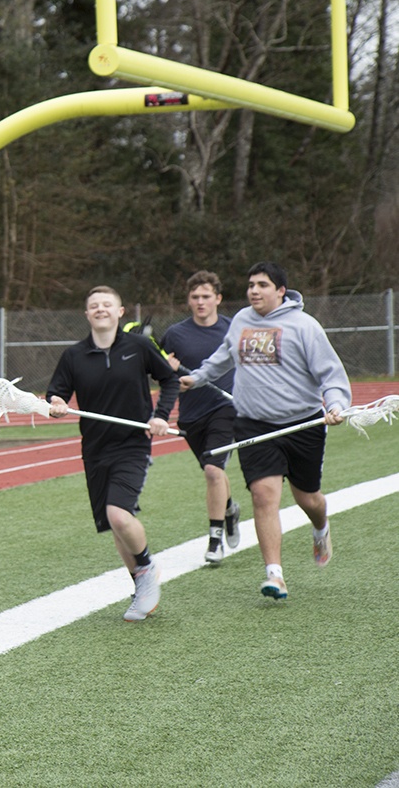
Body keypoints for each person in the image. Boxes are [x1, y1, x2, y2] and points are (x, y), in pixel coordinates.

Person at [181, 261, 350, 600]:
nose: (254, 291)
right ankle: (275, 574)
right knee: (263, 495)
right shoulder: (242, 320)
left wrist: (336, 404)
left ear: (280, 291)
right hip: (253, 423)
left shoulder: (305, 325)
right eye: (251, 285)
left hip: (302, 424)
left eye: (262, 285)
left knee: (308, 498)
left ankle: (320, 526)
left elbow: (330, 374)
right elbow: (224, 356)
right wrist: (198, 377)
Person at [46, 286, 178, 621]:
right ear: (86, 314)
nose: (100, 309)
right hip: (94, 449)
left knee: (119, 514)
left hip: (132, 444)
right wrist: (57, 404)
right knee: (115, 524)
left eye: (107, 304)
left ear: (120, 312)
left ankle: (147, 566)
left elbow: (169, 380)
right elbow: (56, 394)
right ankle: (140, 588)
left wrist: (160, 415)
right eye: (94, 306)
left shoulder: (139, 346)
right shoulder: (73, 356)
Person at [158, 271, 241, 565]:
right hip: (192, 414)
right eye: (195, 297)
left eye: (206, 296)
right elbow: (163, 376)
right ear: (189, 301)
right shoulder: (175, 334)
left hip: (227, 409)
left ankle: (215, 539)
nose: (200, 302)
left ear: (218, 298)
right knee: (213, 471)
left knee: (212, 470)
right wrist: (168, 369)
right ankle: (229, 508)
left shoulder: (234, 329)